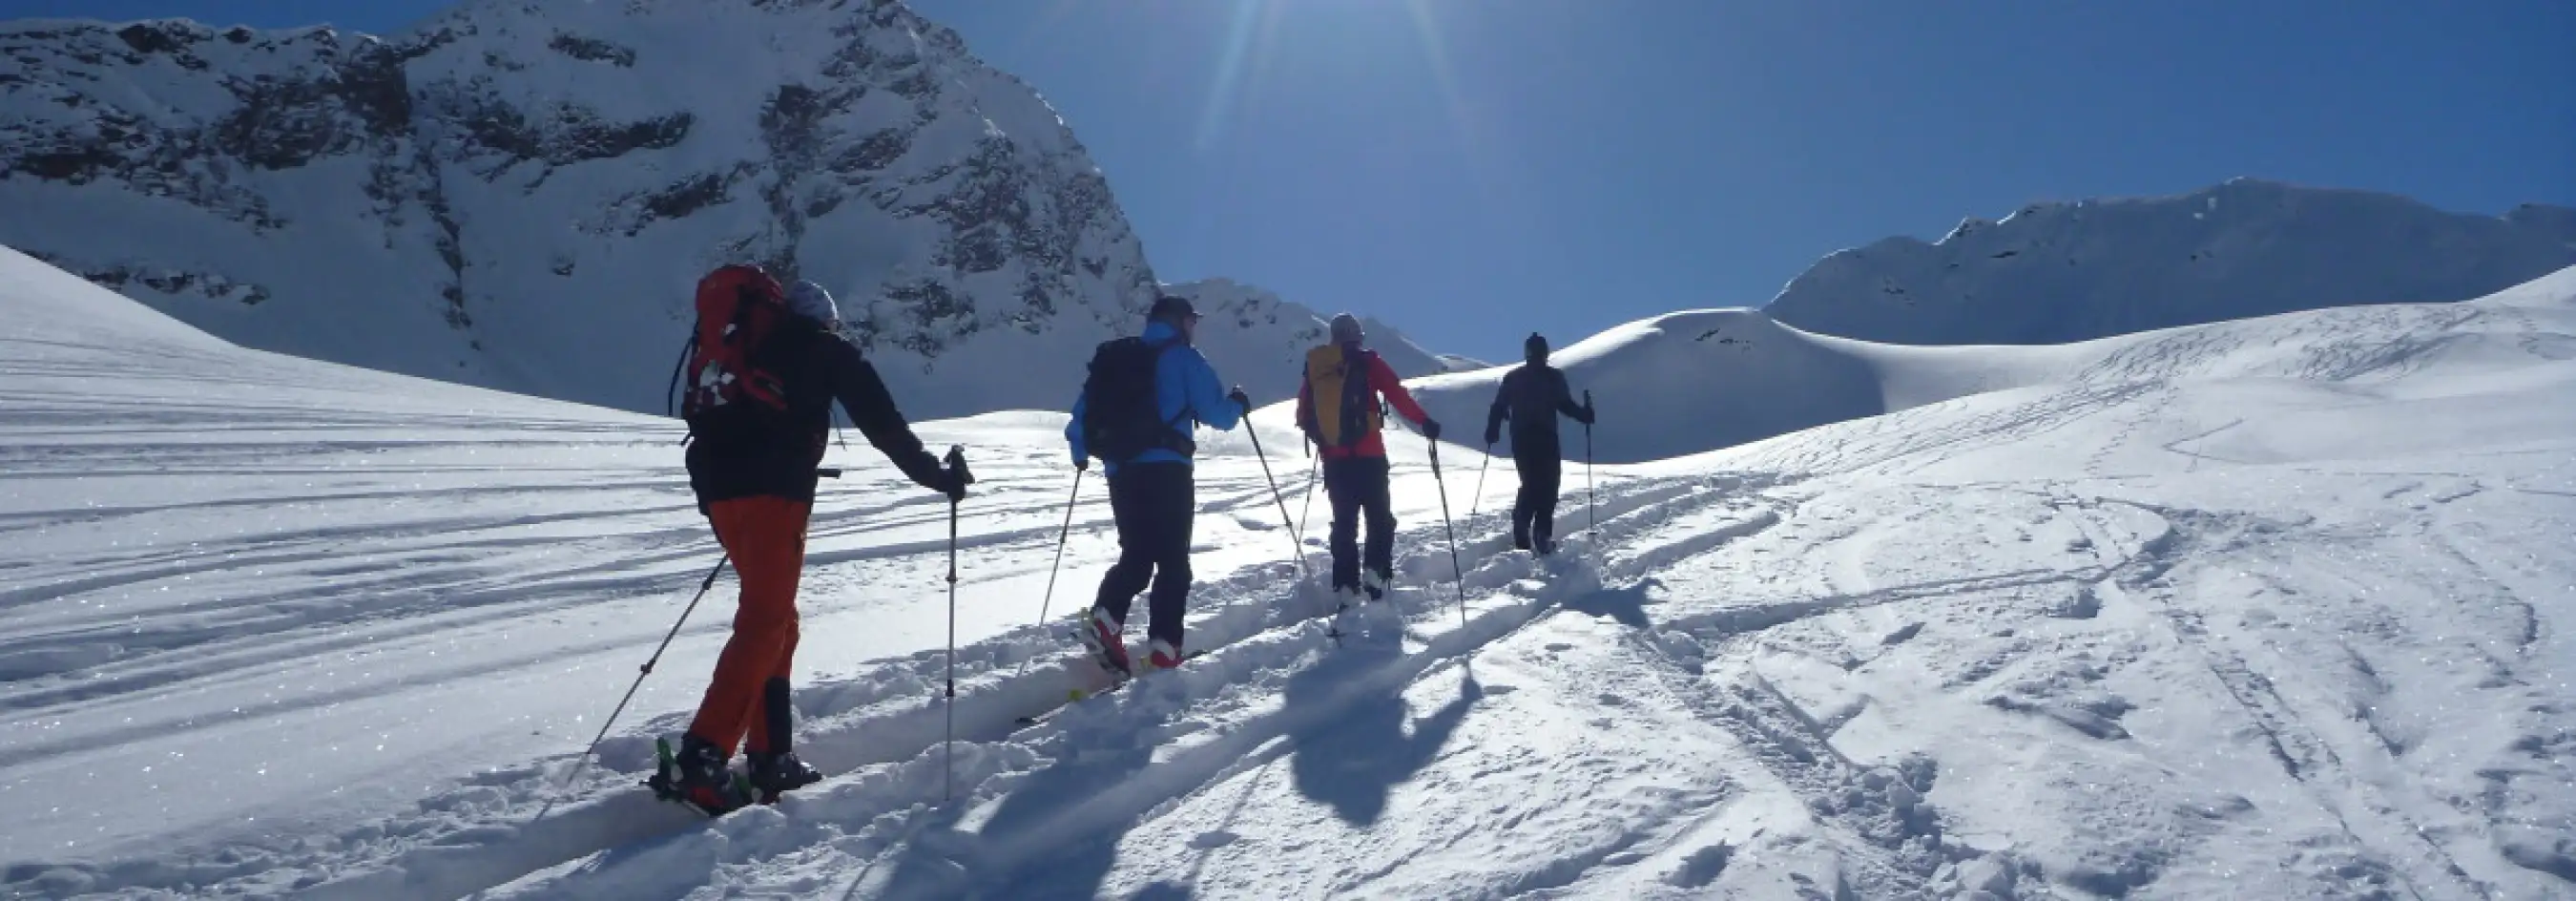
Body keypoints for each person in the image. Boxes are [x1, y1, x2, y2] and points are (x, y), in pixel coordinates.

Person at [669, 271, 969, 811]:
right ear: (822, 320)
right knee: (765, 620)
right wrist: (936, 475)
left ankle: (770, 754)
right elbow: (881, 420)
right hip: (772, 494)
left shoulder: (745, 351)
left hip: (718, 490)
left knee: (778, 618)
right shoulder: (821, 347)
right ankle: (703, 757)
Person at [1067, 295, 1249, 673]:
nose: (1194, 327)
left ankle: (1106, 617)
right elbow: (1217, 414)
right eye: (1192, 321)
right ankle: (1165, 648)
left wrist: (1081, 451)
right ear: (1180, 321)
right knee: (1172, 561)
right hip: (1167, 471)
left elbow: (1080, 417)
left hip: (1122, 473)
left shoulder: (1115, 361)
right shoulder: (1183, 357)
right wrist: (1239, 404)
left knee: (1137, 553)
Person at [1297, 313, 1439, 604]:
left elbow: (1302, 414)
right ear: (1357, 335)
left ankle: (1345, 585)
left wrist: (1326, 439)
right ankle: (1376, 573)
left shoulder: (1318, 366)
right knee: (1379, 518)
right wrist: (1424, 422)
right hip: (1370, 454)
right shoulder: (1368, 360)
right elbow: (1396, 393)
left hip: (1335, 461)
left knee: (1344, 522)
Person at [1484, 332, 1593, 555]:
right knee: (1549, 485)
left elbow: (1499, 406)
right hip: (1546, 436)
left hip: (1521, 438)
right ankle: (1541, 534)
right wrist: (1585, 414)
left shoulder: (1513, 378)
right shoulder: (1553, 377)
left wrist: (1493, 428)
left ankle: (1522, 522)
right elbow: (1566, 406)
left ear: (1527, 353)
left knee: (1530, 481)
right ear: (1545, 353)